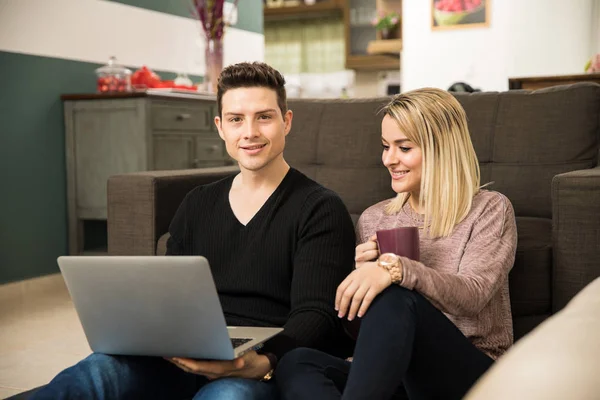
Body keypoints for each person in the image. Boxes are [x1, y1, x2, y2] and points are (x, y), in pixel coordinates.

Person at [31, 62, 356, 400]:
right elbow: (168, 295)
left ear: (286, 121)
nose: (249, 132)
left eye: (264, 117)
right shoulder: (197, 204)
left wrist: (259, 361)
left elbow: (316, 316)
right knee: (95, 372)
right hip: (179, 355)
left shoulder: (320, 208)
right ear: (220, 127)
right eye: (235, 119)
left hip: (257, 367)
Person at [275, 88, 518, 400]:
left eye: (403, 148)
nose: (389, 159)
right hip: (397, 377)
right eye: (385, 147)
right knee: (296, 361)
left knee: (396, 298)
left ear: (441, 148)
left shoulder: (489, 209)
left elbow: (472, 296)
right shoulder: (375, 218)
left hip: (472, 373)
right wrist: (361, 290)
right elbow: (364, 337)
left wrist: (395, 272)